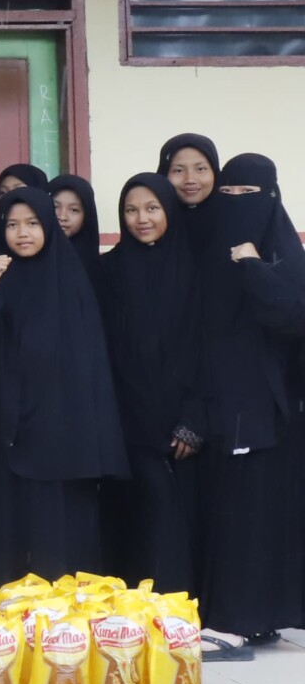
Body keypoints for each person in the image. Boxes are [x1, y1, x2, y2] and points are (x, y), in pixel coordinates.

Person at [0, 189, 129, 583]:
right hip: (11, 420)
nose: (22, 233)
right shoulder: (2, 278)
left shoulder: (70, 280)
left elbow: (85, 363)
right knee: (13, 526)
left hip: (61, 426)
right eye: (12, 225)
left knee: (60, 530)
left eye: (32, 223)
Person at [192, 154, 305, 655]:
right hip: (221, 406)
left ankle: (247, 618)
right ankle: (244, 615)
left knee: (261, 511)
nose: (236, 205)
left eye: (248, 196)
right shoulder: (208, 253)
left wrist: (253, 265)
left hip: (273, 410)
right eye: (228, 194)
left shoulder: (283, 255)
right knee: (233, 510)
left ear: (271, 198)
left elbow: (292, 317)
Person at [98, 174, 204, 593]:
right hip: (126, 420)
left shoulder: (195, 267)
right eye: (131, 210)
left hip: (184, 421)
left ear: (169, 210)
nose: (141, 219)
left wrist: (194, 418)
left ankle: (178, 610)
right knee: (135, 522)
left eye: (152, 208)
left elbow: (208, 349)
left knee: (179, 523)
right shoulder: (108, 270)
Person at [48, 174, 106, 292]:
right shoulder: (28, 258)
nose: (62, 216)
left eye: (74, 210)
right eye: (55, 207)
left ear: (87, 216)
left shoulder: (102, 269)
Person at [159, 134, 221, 214]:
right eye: (179, 171)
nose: (190, 180)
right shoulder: (149, 218)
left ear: (214, 172)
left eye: (200, 169)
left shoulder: (231, 216)